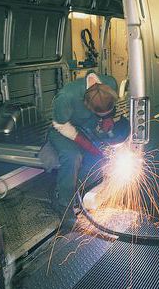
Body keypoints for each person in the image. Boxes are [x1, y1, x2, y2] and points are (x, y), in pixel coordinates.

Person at [48, 71, 127, 226]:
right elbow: (60, 125)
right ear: (87, 105)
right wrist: (88, 146)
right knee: (73, 157)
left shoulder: (110, 82)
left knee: (101, 156)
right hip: (64, 130)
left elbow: (108, 112)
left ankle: (78, 190)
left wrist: (107, 118)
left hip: (87, 127)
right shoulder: (66, 97)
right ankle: (63, 202)